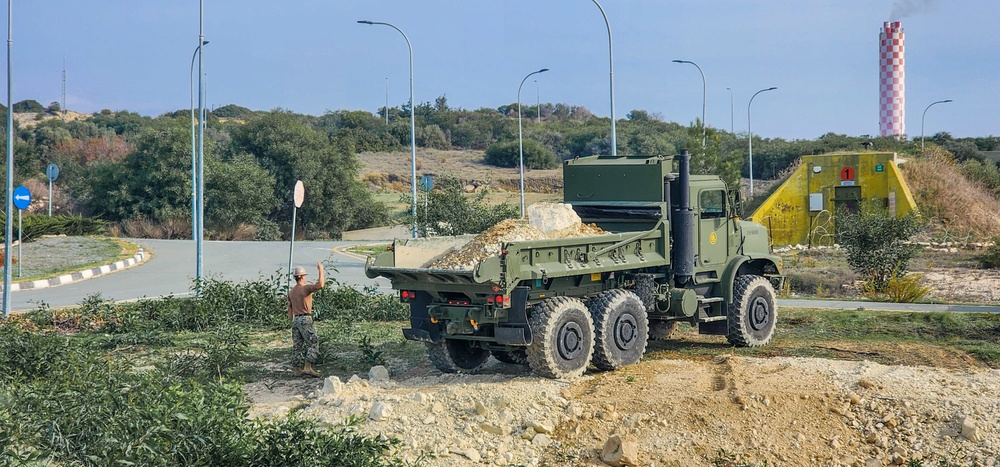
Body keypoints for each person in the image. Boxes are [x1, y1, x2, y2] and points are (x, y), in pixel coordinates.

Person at [288, 262, 324, 377]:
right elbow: (320, 285)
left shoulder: (291, 292)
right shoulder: (306, 288)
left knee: (297, 345)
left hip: (296, 319)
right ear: (303, 276)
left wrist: (292, 321)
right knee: (313, 342)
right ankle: (308, 366)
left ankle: (297, 369)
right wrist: (321, 270)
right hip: (305, 318)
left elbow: (290, 308)